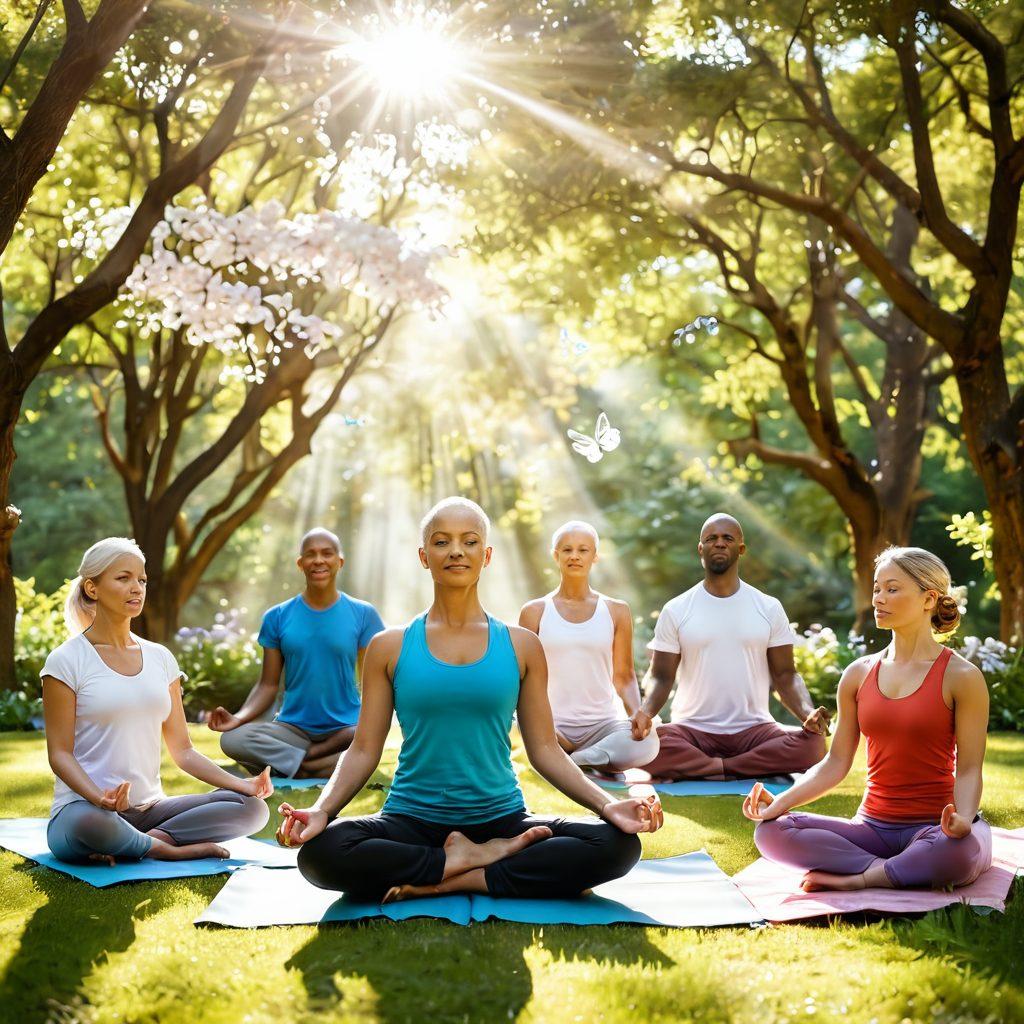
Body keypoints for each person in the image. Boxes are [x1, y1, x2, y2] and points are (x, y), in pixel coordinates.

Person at [275, 497, 663, 903]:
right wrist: (321, 811)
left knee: (617, 845)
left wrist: (608, 806)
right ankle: (469, 864)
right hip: (411, 817)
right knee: (322, 853)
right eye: (442, 542)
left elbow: (546, 750)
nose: (457, 551)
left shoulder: (522, 646)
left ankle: (459, 875)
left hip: (502, 819)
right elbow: (364, 748)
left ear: (487, 555)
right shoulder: (388, 647)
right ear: (425, 557)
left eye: (470, 541)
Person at [744, 546, 992, 892]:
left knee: (959, 852)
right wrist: (781, 802)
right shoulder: (858, 674)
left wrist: (963, 820)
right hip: (871, 828)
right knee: (771, 831)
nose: (879, 598)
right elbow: (836, 762)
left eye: (892, 589)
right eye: (876, 588)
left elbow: (968, 769)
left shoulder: (961, 677)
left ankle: (860, 879)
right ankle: (892, 872)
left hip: (936, 827)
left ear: (928, 599)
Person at [41, 538, 271, 866]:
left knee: (252, 809)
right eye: (123, 578)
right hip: (85, 809)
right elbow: (59, 754)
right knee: (91, 824)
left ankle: (147, 842)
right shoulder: (66, 661)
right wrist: (100, 799)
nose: (137, 588)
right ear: (92, 588)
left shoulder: (161, 658)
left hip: (150, 811)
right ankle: (166, 849)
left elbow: (184, 752)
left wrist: (243, 785)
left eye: (142, 580)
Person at [633, 513, 829, 780]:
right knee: (644, 746)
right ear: (700, 549)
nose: (720, 543)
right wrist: (646, 712)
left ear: (741, 548)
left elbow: (785, 675)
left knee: (814, 746)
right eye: (711, 538)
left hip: (754, 729)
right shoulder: (677, 608)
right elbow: (661, 676)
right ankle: (740, 767)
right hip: (692, 730)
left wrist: (808, 714)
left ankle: (712, 769)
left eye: (728, 538)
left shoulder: (768, 607)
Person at [209, 528, 385, 778]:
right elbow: (268, 685)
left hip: (344, 729)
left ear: (339, 561)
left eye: (327, 553)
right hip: (293, 730)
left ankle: (297, 764)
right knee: (233, 740)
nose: (318, 560)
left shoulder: (364, 614)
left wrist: (368, 726)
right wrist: (237, 719)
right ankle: (315, 765)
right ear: (300, 563)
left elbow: (373, 683)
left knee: (364, 736)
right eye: (310, 554)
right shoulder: (277, 616)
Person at [518, 520, 659, 772]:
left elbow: (624, 676)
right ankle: (580, 756)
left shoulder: (617, 610)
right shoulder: (534, 612)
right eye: (567, 549)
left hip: (603, 727)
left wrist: (636, 713)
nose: (574, 556)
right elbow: (523, 678)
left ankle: (572, 760)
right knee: (524, 724)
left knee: (648, 742)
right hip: (552, 726)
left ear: (595, 556)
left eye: (583, 550)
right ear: (556, 555)